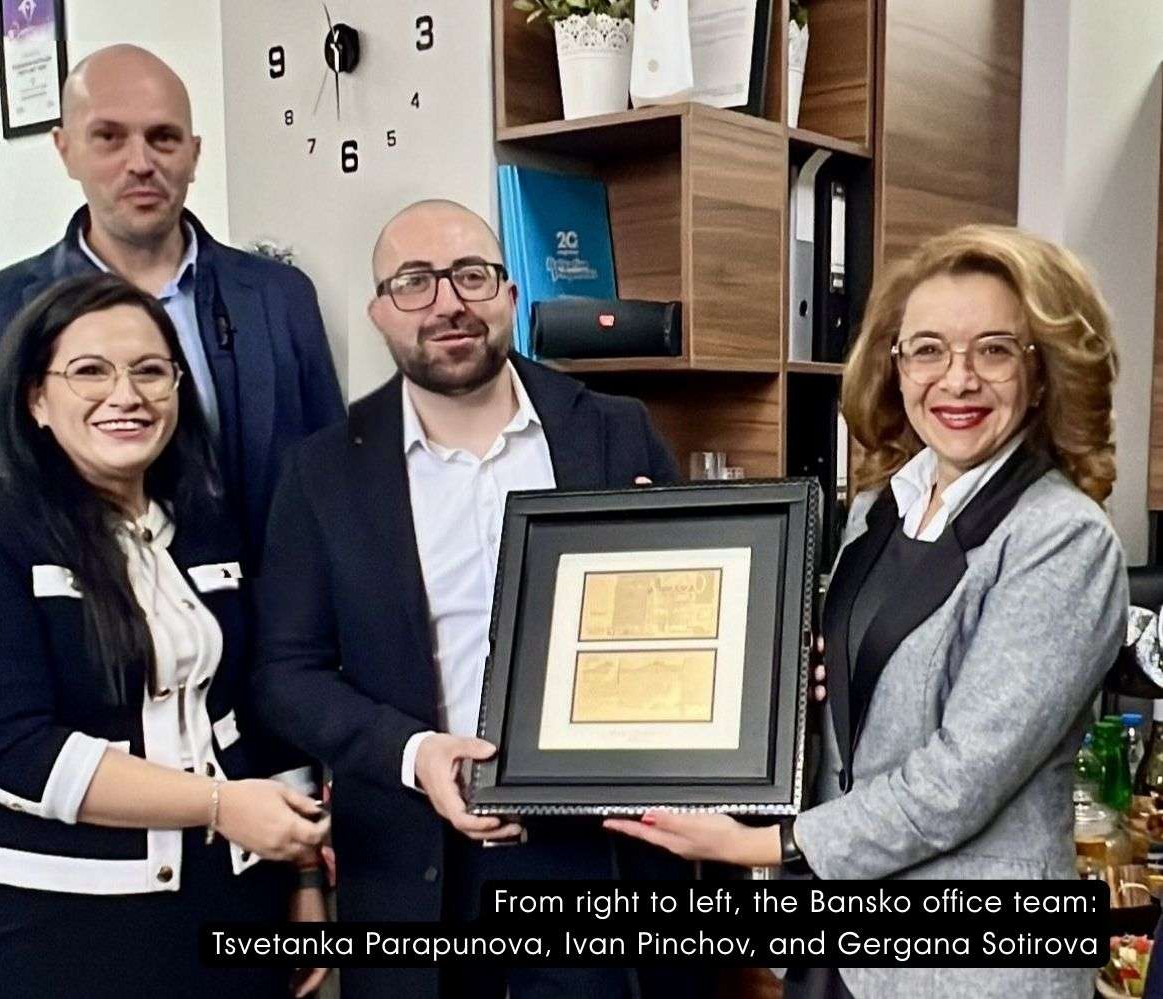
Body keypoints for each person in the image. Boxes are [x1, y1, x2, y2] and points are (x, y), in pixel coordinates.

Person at [607, 225, 1128, 999]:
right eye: (928, 349)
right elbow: (842, 701)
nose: (957, 379)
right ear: (895, 364)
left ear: (1043, 370)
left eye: (993, 350)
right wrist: (679, 557)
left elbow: (959, 778)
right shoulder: (880, 507)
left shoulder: (1063, 537)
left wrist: (767, 844)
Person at [253, 199, 686, 999]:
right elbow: (285, 675)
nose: (447, 302)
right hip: (413, 862)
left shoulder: (616, 432)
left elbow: (690, 605)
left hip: (601, 855)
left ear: (510, 296)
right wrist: (414, 753)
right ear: (380, 312)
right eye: (414, 282)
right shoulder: (322, 471)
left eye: (470, 276)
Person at [0, 274, 330, 998]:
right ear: (36, 398)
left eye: (150, 371)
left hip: (239, 889)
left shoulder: (205, 522)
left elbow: (258, 705)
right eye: (90, 371)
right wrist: (220, 805)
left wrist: (302, 872)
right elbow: (15, 754)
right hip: (71, 917)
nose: (126, 395)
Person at [0, 44, 343, 568]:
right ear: (65, 149)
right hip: (84, 612)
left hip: (269, 612)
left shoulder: (281, 298)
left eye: (163, 138)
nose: (141, 163)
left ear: (194, 154)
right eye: (109, 137)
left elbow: (334, 486)